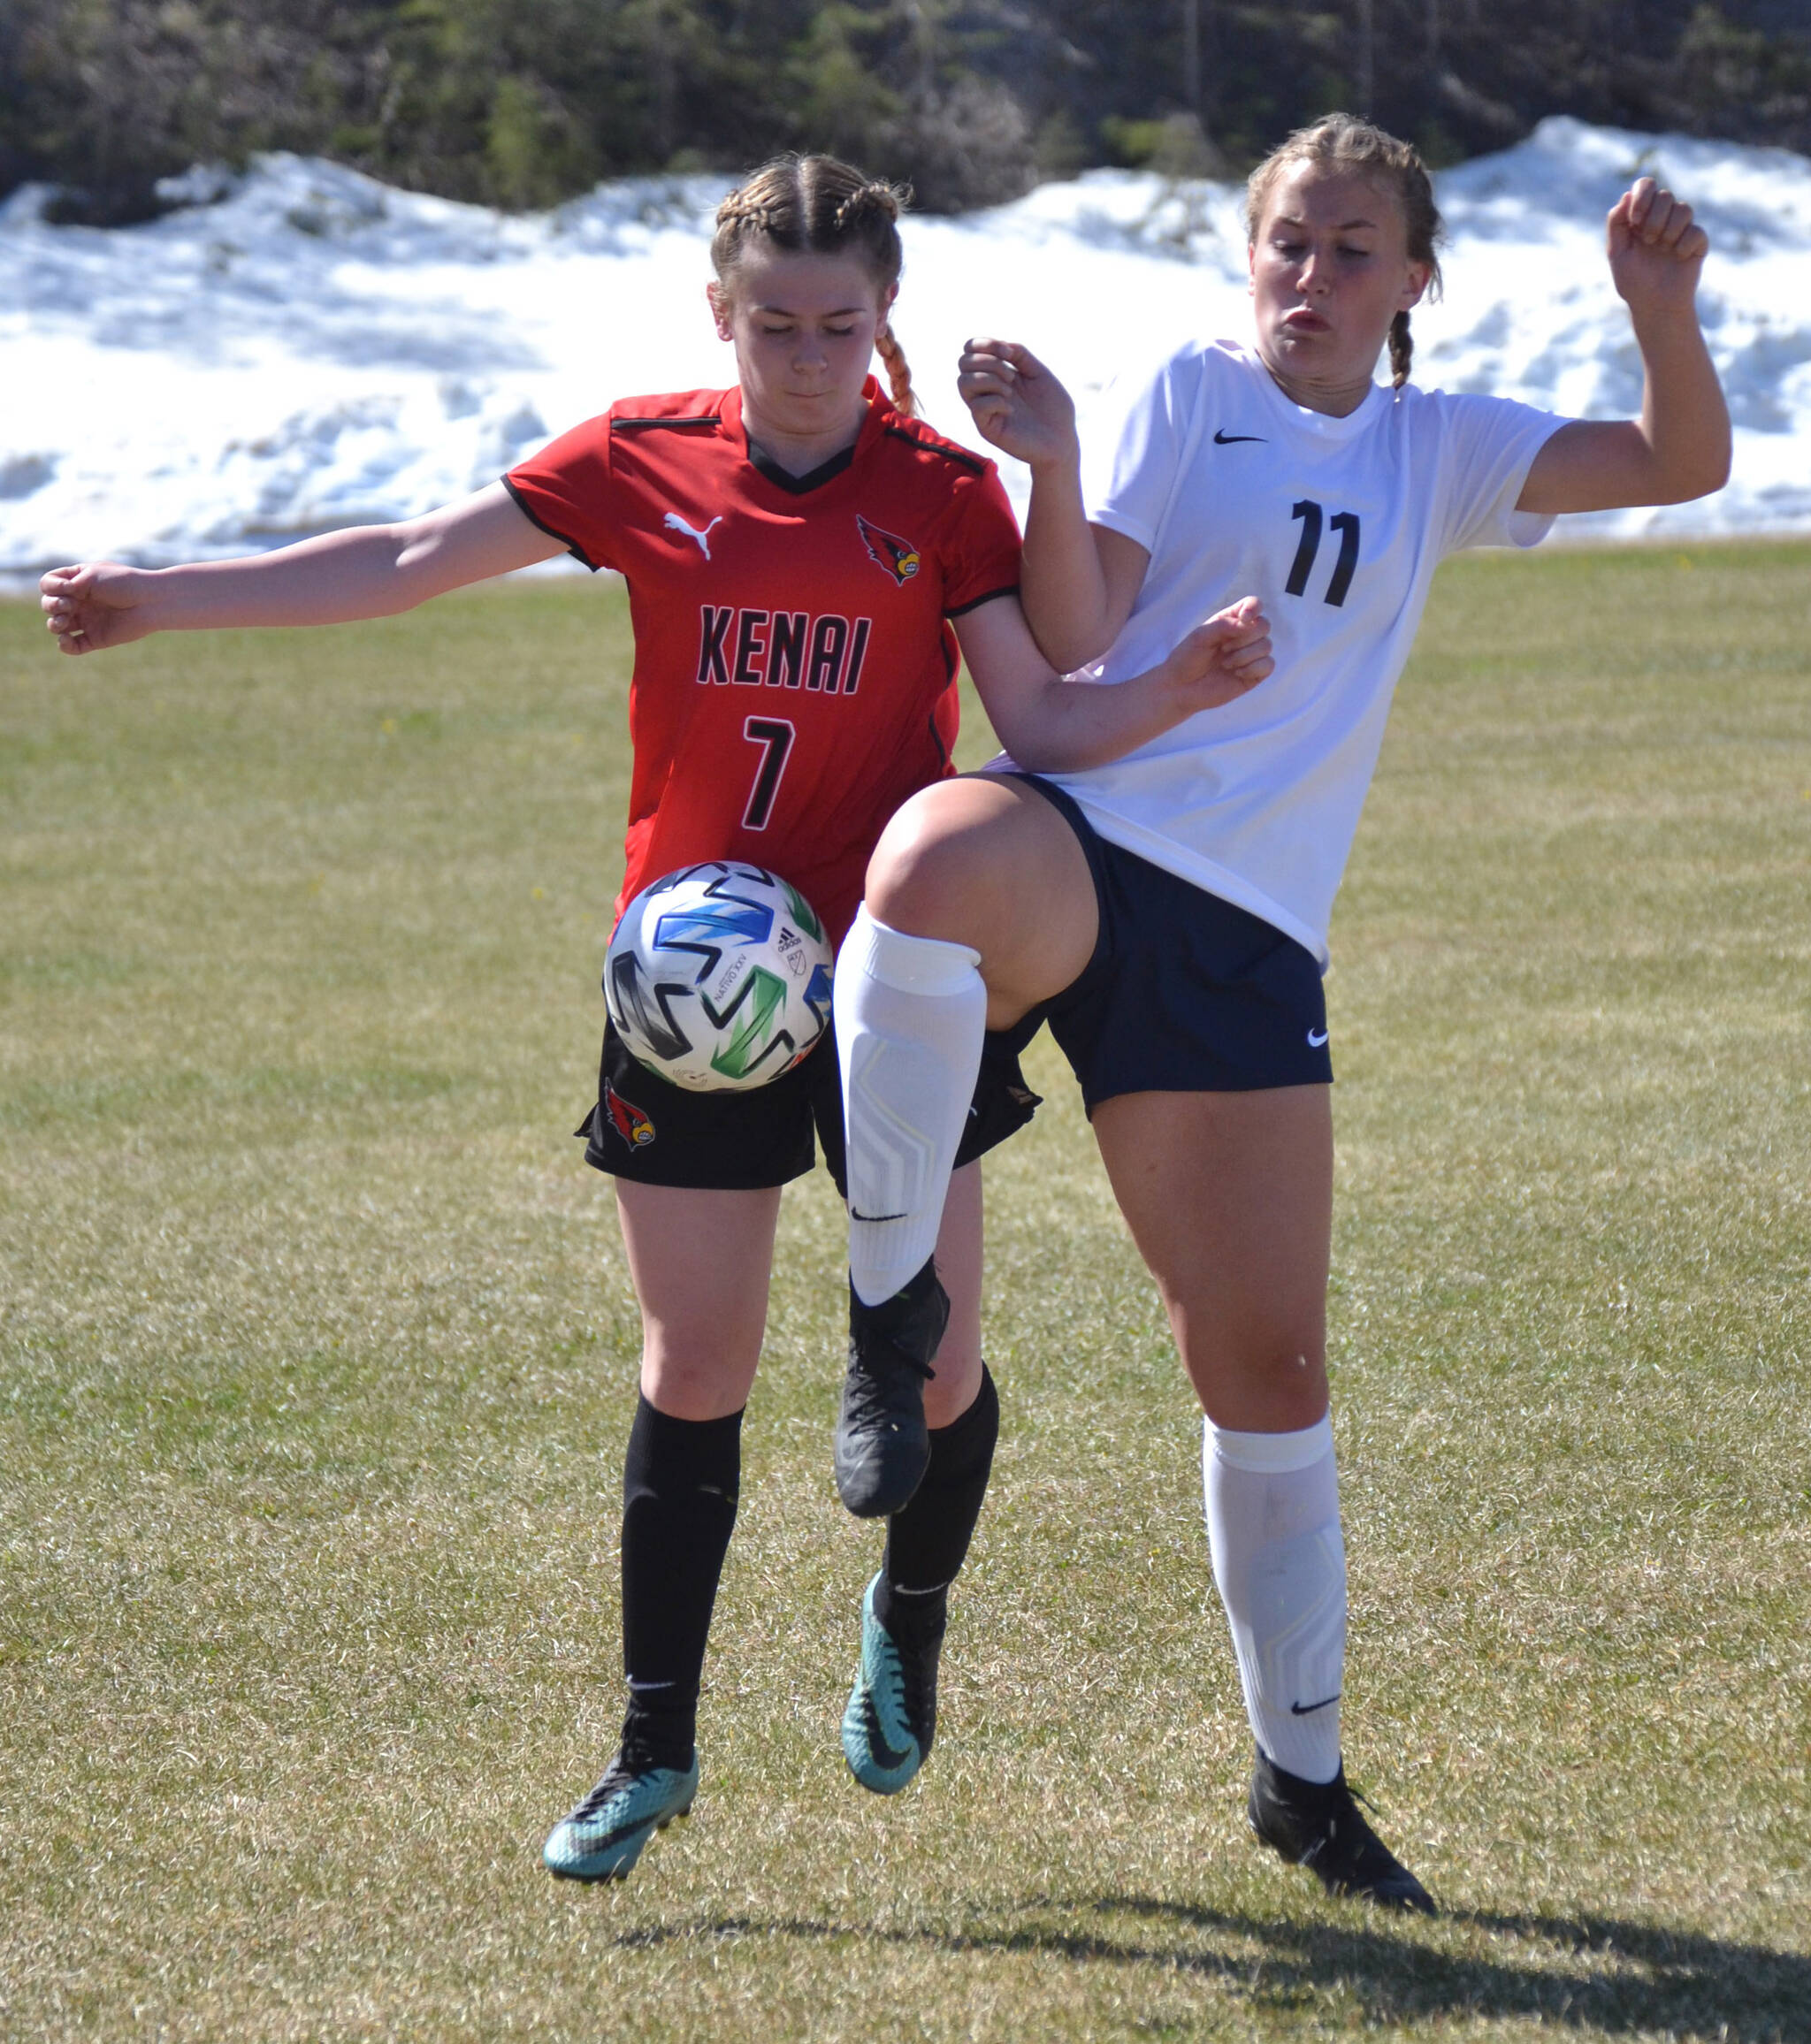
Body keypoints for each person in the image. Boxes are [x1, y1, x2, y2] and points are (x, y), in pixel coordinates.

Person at [40, 153, 1276, 1883]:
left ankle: (907, 1611)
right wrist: (165, 592)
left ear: (882, 321)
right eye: (772, 323)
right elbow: (405, 557)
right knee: (694, 1363)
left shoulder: (936, 493)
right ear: (721, 315)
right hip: (689, 985)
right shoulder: (638, 457)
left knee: (927, 1373)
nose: (802, 355)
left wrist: (1175, 689)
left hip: (891, 980)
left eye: (838, 326)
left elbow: (1037, 725)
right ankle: (650, 1749)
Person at [828, 114, 1730, 1911]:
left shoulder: (1436, 446)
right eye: (1285, 245)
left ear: (1410, 282)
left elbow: (1677, 461)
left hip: (1246, 932)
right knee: (927, 857)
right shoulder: (1185, 391)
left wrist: (1659, 307)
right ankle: (884, 1324)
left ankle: (1300, 1785)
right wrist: (1064, 456)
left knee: (1264, 1368)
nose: (1307, 279)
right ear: (1249, 262)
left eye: (1348, 251)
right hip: (1088, 831)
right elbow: (1073, 634)